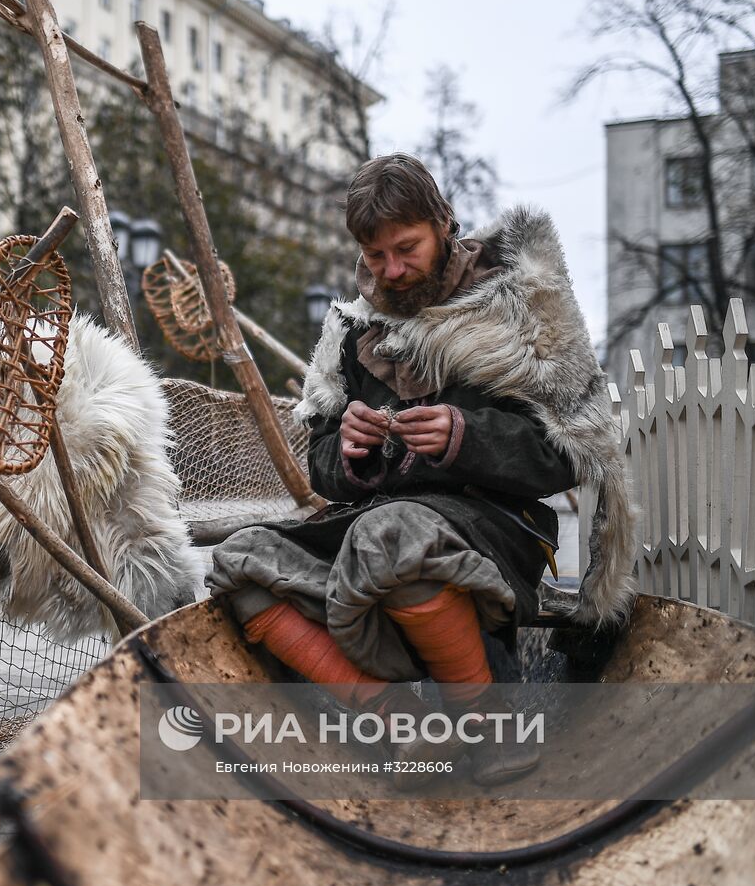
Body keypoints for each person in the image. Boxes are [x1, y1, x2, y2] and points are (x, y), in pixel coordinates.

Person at [208, 153, 634, 786]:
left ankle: (486, 729)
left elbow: (571, 452)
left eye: (407, 249)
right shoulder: (353, 329)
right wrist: (347, 448)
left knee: (395, 539)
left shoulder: (521, 303)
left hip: (497, 530)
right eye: (375, 257)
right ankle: (397, 723)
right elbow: (325, 470)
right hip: (373, 528)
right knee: (239, 562)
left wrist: (465, 436)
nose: (392, 271)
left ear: (445, 224)